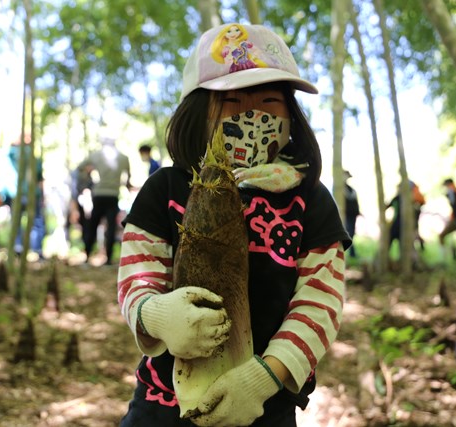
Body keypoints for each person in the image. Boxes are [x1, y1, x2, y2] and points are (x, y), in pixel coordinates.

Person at [117, 23, 351, 426]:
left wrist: (265, 377)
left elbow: (320, 300)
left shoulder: (310, 201)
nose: (252, 111)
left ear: (291, 113)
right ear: (199, 109)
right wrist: (154, 315)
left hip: (261, 404)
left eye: (269, 98)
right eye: (232, 99)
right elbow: (136, 278)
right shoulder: (166, 189)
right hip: (162, 405)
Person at [79, 136, 131, 266]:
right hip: (113, 195)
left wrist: (88, 177)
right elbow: (128, 179)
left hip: (98, 194)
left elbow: (80, 167)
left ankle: (87, 256)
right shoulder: (123, 158)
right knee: (111, 227)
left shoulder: (96, 155)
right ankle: (108, 259)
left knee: (93, 225)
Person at [387, 180, 426, 253]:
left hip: (402, 226)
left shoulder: (409, 200)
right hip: (405, 226)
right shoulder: (411, 200)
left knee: (405, 244)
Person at [343, 170, 360, 258]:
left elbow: (355, 202)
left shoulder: (351, 189)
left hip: (352, 215)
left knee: (351, 233)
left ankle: (352, 253)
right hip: (344, 215)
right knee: (347, 232)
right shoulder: (338, 188)